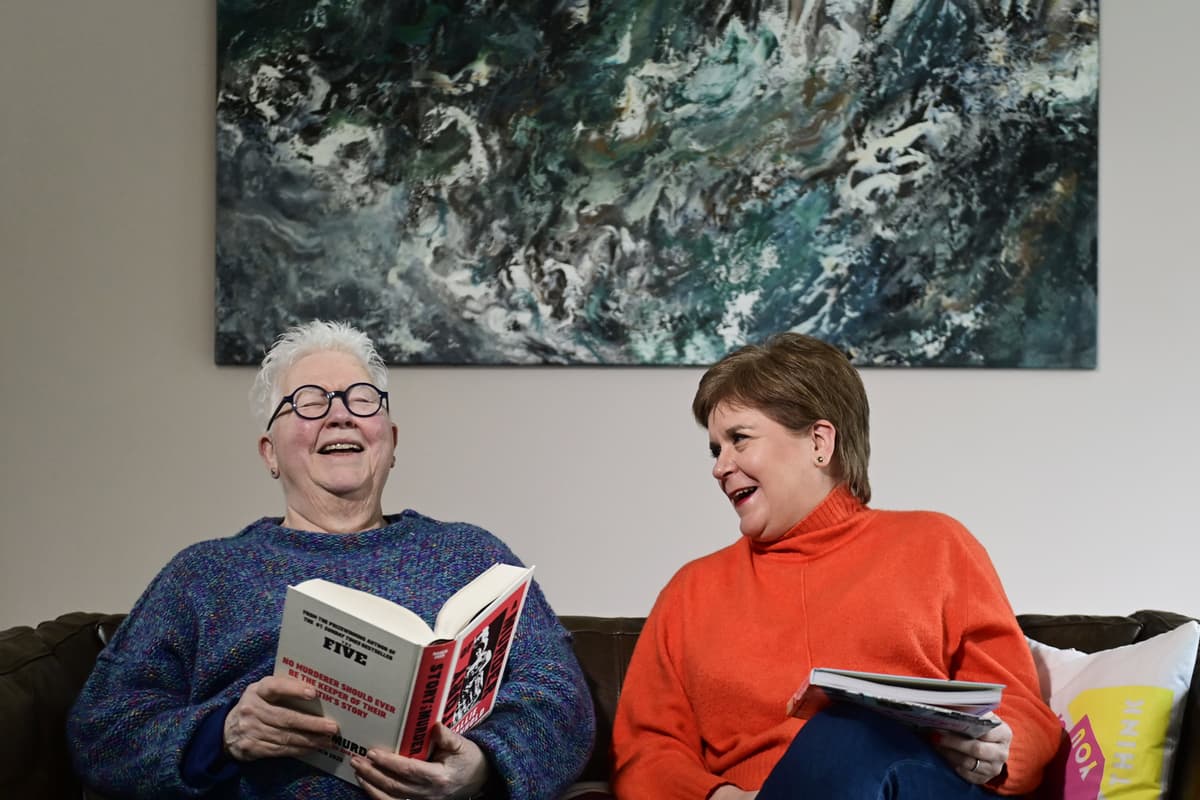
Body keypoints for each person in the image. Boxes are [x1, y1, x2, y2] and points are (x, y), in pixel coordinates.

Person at [68, 320, 594, 799]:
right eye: (308, 402)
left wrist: (480, 767)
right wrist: (225, 733)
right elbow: (100, 728)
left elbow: (562, 703)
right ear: (269, 452)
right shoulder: (203, 574)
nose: (339, 413)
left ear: (389, 440)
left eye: (362, 400)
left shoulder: (473, 555)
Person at [611, 333, 1061, 799]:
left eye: (739, 440)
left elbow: (1020, 708)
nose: (720, 467)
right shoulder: (691, 591)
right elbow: (644, 750)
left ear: (819, 442)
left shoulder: (937, 545)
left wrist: (998, 749)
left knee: (847, 730)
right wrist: (719, 797)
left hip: (919, 786)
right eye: (715, 449)